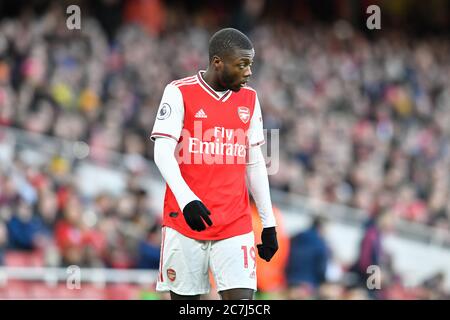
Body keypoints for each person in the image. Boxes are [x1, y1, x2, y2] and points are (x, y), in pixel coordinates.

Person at [151, 28, 278, 300]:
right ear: (218, 62)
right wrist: (187, 201)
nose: (248, 72)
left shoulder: (250, 99)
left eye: (251, 65)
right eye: (242, 64)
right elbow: (162, 152)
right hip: (185, 221)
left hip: (234, 224)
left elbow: (254, 162)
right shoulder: (178, 92)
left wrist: (269, 224)